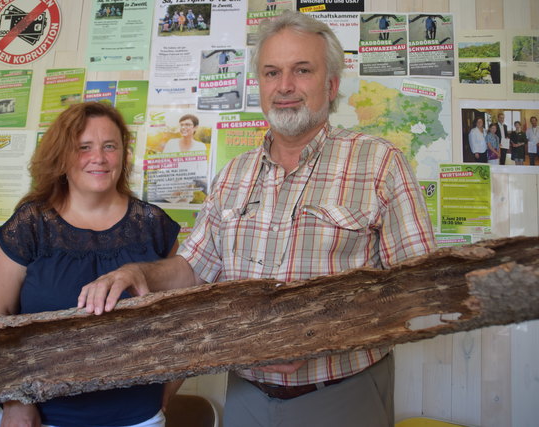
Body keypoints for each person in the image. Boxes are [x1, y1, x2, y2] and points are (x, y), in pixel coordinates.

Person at [78, 11, 435, 427]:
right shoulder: (233, 174)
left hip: (342, 395)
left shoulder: (379, 163)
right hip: (246, 394)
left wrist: (318, 335)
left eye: (302, 70)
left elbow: (419, 290)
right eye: (271, 73)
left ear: (331, 84)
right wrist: (139, 274)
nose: (284, 86)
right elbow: (194, 269)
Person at [0, 102, 181, 427]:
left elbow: (183, 322)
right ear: (61, 156)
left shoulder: (155, 226)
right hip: (41, 418)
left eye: (109, 146)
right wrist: (15, 400)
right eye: (83, 147)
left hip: (137, 418)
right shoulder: (30, 225)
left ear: (123, 154)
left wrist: (166, 393)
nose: (98, 158)